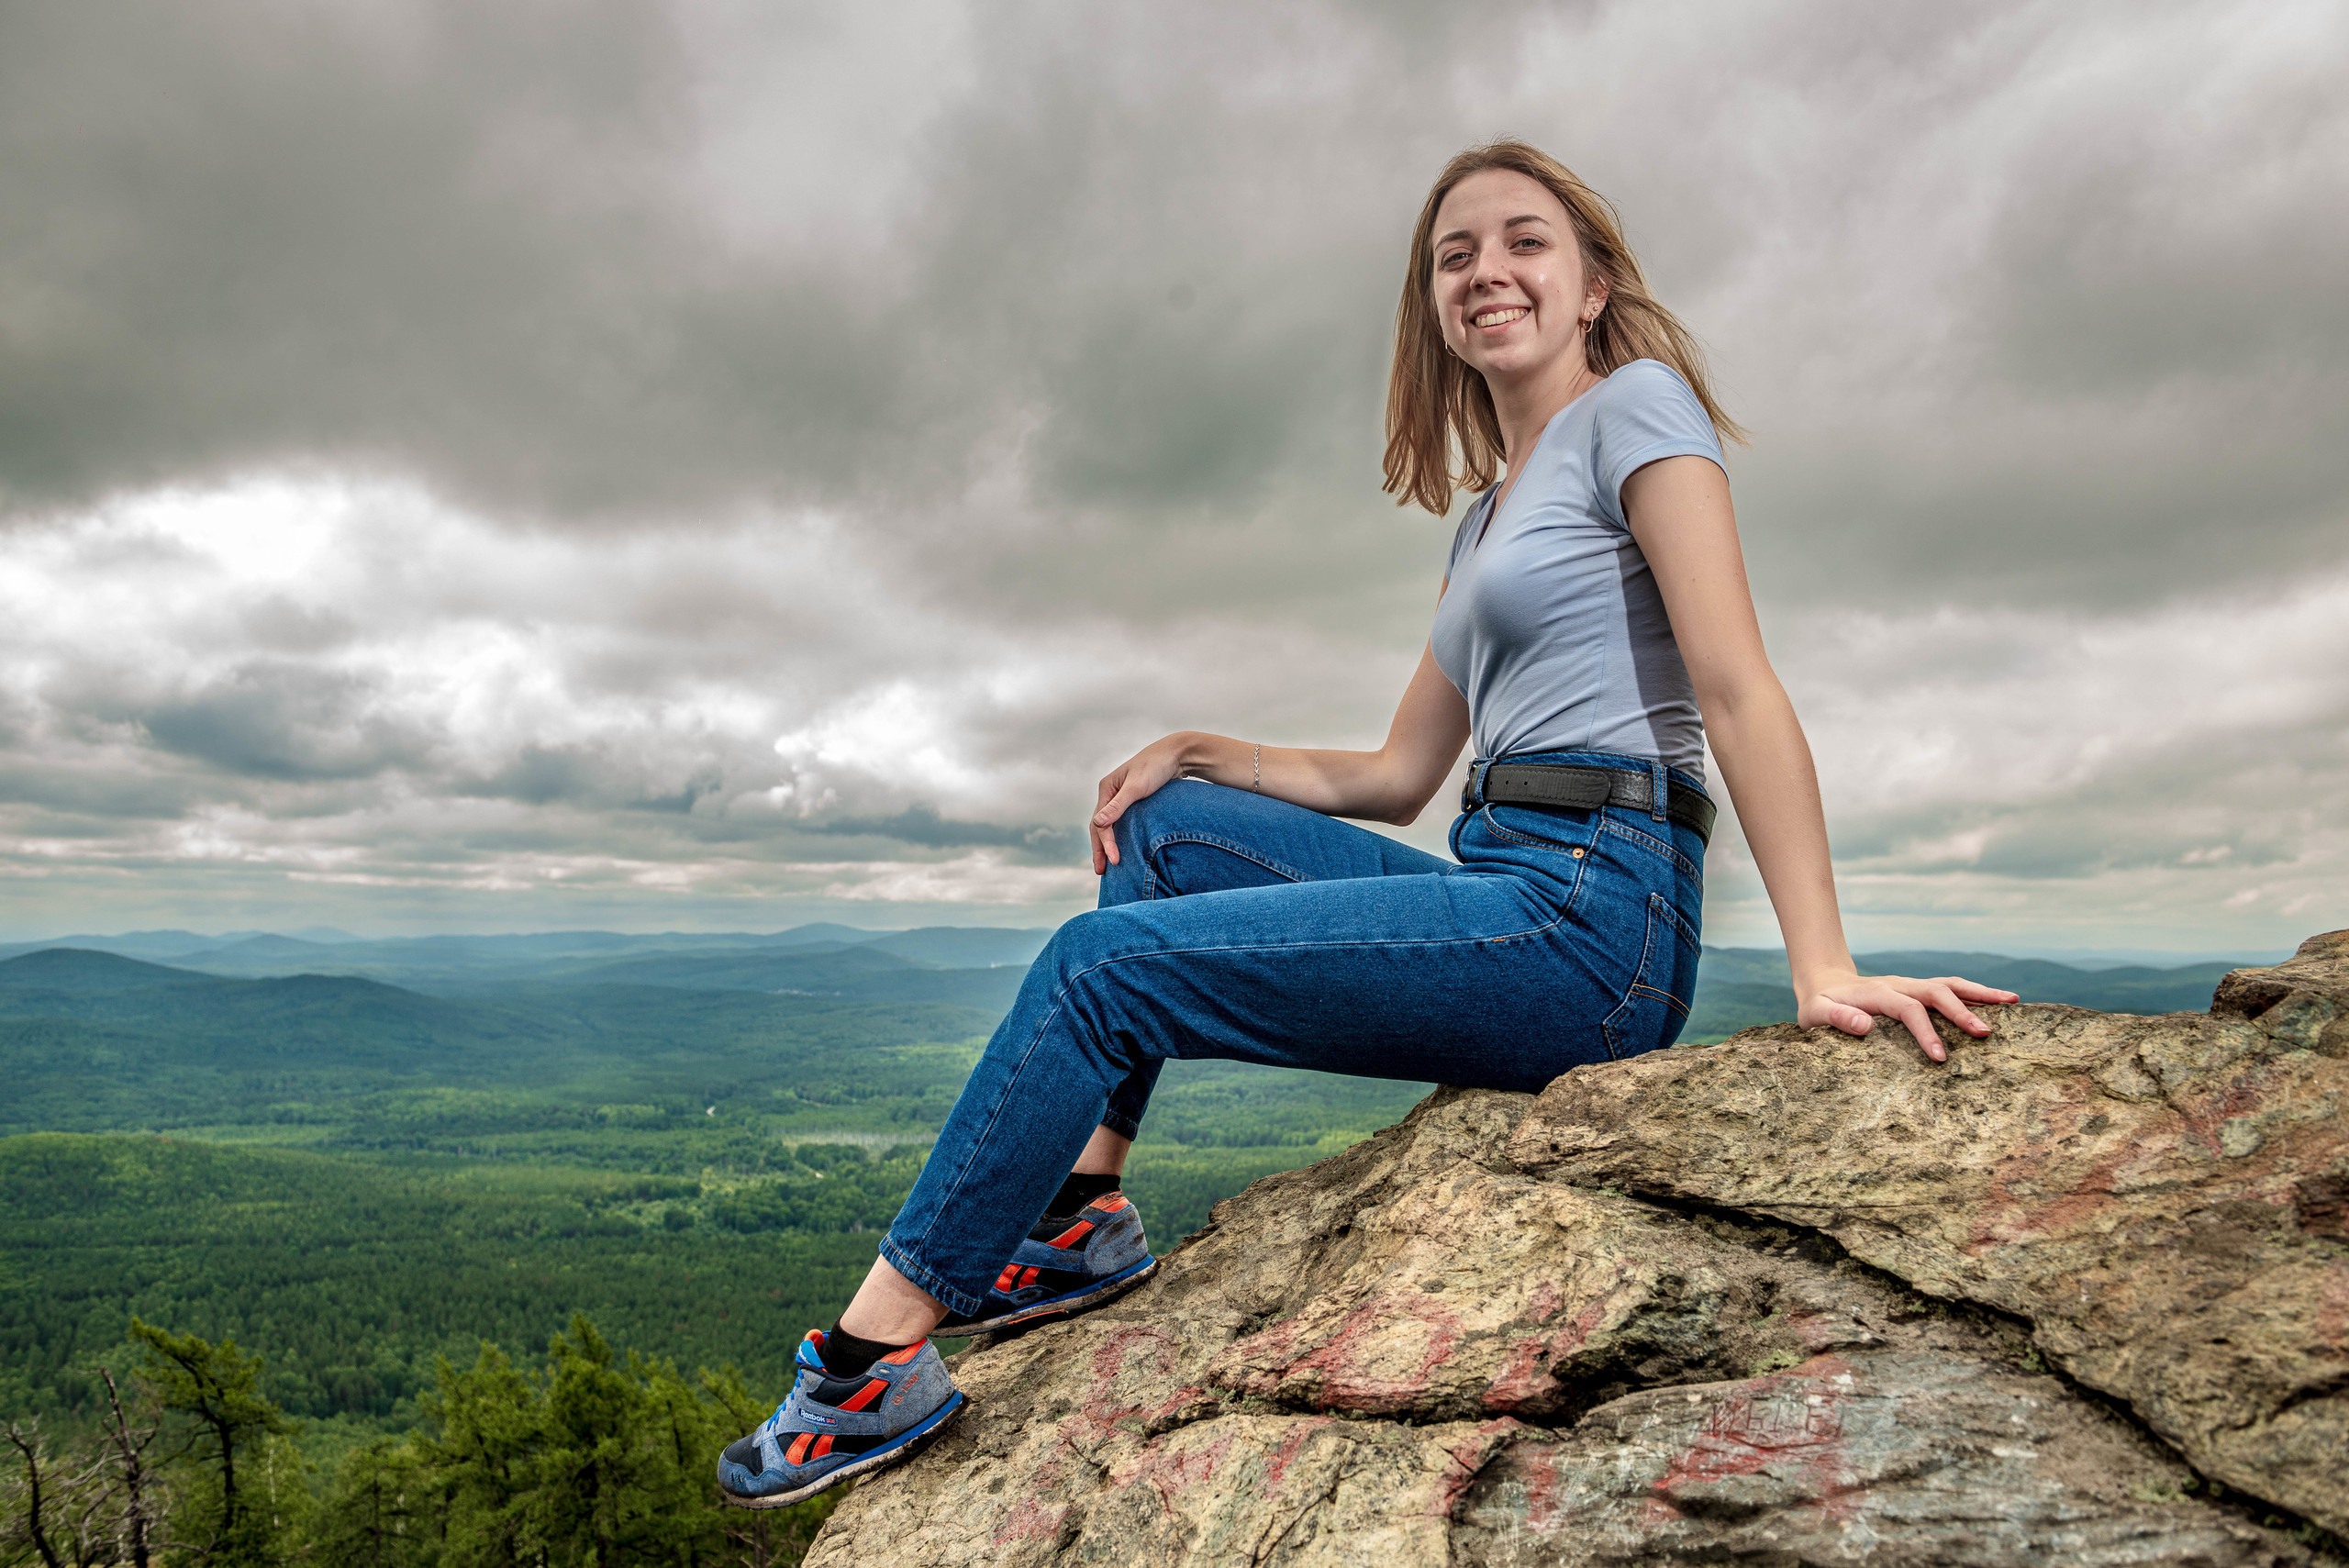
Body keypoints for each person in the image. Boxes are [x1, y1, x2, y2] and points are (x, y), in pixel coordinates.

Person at [716, 139, 2019, 1508]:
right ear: (1434, 309)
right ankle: (1077, 1218)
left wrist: (1823, 964)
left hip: (1597, 917)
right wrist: (1196, 748)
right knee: (1164, 829)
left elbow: (1737, 683)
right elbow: (1399, 774)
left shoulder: (1639, 407)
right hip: (1504, 867)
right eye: (1454, 256)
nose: (1486, 272)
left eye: (1525, 242)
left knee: (1092, 971)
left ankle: (869, 1364)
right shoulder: (1485, 520)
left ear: (1592, 286)